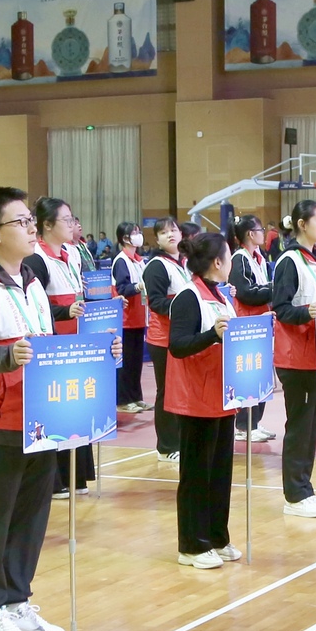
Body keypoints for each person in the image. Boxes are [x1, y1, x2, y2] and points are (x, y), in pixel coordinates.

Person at [0, 187, 117, 631]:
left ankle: (18, 600)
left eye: (29, 221)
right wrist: (8, 356)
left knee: (30, 521)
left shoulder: (33, 284)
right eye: (20, 222)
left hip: (41, 421)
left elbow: (50, 350)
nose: (29, 228)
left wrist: (101, 355)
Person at [166, 232, 241, 570]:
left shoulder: (221, 296)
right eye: (229, 256)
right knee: (196, 474)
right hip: (195, 398)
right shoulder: (188, 296)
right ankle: (192, 545)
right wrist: (213, 335)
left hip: (223, 395)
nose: (231, 262)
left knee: (220, 472)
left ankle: (217, 536)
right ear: (217, 262)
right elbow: (178, 345)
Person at [23, 197, 95, 496]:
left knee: (76, 408)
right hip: (53, 349)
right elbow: (33, 307)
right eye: (65, 219)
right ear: (47, 225)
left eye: (71, 218)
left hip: (77, 346)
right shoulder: (36, 259)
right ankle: (53, 480)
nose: (72, 224)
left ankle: (75, 475)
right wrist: (65, 313)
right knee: (54, 411)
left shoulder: (72, 254)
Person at [271, 200, 316, 516]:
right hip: (296, 357)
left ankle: (305, 489)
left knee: (313, 425)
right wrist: (307, 312)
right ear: (302, 224)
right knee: (300, 425)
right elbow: (281, 309)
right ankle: (294, 496)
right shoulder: (290, 261)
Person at [139, 217, 190, 463]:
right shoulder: (157, 266)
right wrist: (186, 306)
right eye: (163, 232)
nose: (170, 235)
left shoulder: (186, 262)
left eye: (173, 230)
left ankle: (181, 440)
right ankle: (166, 446)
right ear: (156, 239)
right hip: (163, 340)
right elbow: (157, 303)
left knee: (182, 390)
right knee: (167, 392)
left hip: (184, 336)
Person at [227, 214, 275, 442]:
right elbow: (246, 293)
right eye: (260, 228)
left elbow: (262, 287)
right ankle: (243, 426)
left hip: (263, 322)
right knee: (249, 373)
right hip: (247, 324)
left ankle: (255, 422)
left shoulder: (259, 258)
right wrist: (275, 289)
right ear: (250, 234)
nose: (263, 232)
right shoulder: (240, 259)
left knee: (262, 373)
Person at [111, 221, 150, 415]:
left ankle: (136, 397)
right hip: (125, 319)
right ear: (125, 238)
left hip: (139, 317)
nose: (138, 235)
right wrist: (138, 287)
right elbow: (122, 288)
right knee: (125, 362)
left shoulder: (139, 260)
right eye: (134, 232)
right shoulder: (121, 261)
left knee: (136, 362)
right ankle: (123, 400)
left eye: (138, 231)